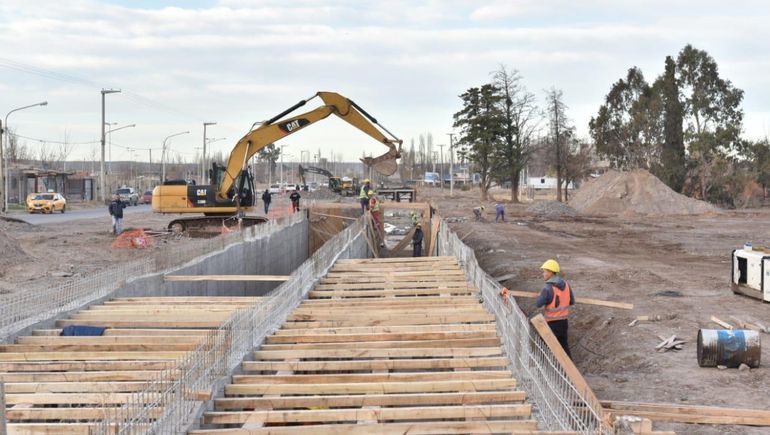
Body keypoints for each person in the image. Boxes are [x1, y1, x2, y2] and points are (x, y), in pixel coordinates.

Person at [535, 259, 575, 358]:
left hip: (552, 324)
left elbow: (538, 303)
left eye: (544, 271)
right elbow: (572, 301)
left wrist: (541, 296)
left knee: (542, 348)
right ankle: (568, 372)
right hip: (563, 323)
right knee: (564, 347)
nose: (543, 274)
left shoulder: (547, 288)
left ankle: (543, 370)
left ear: (550, 272)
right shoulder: (566, 285)